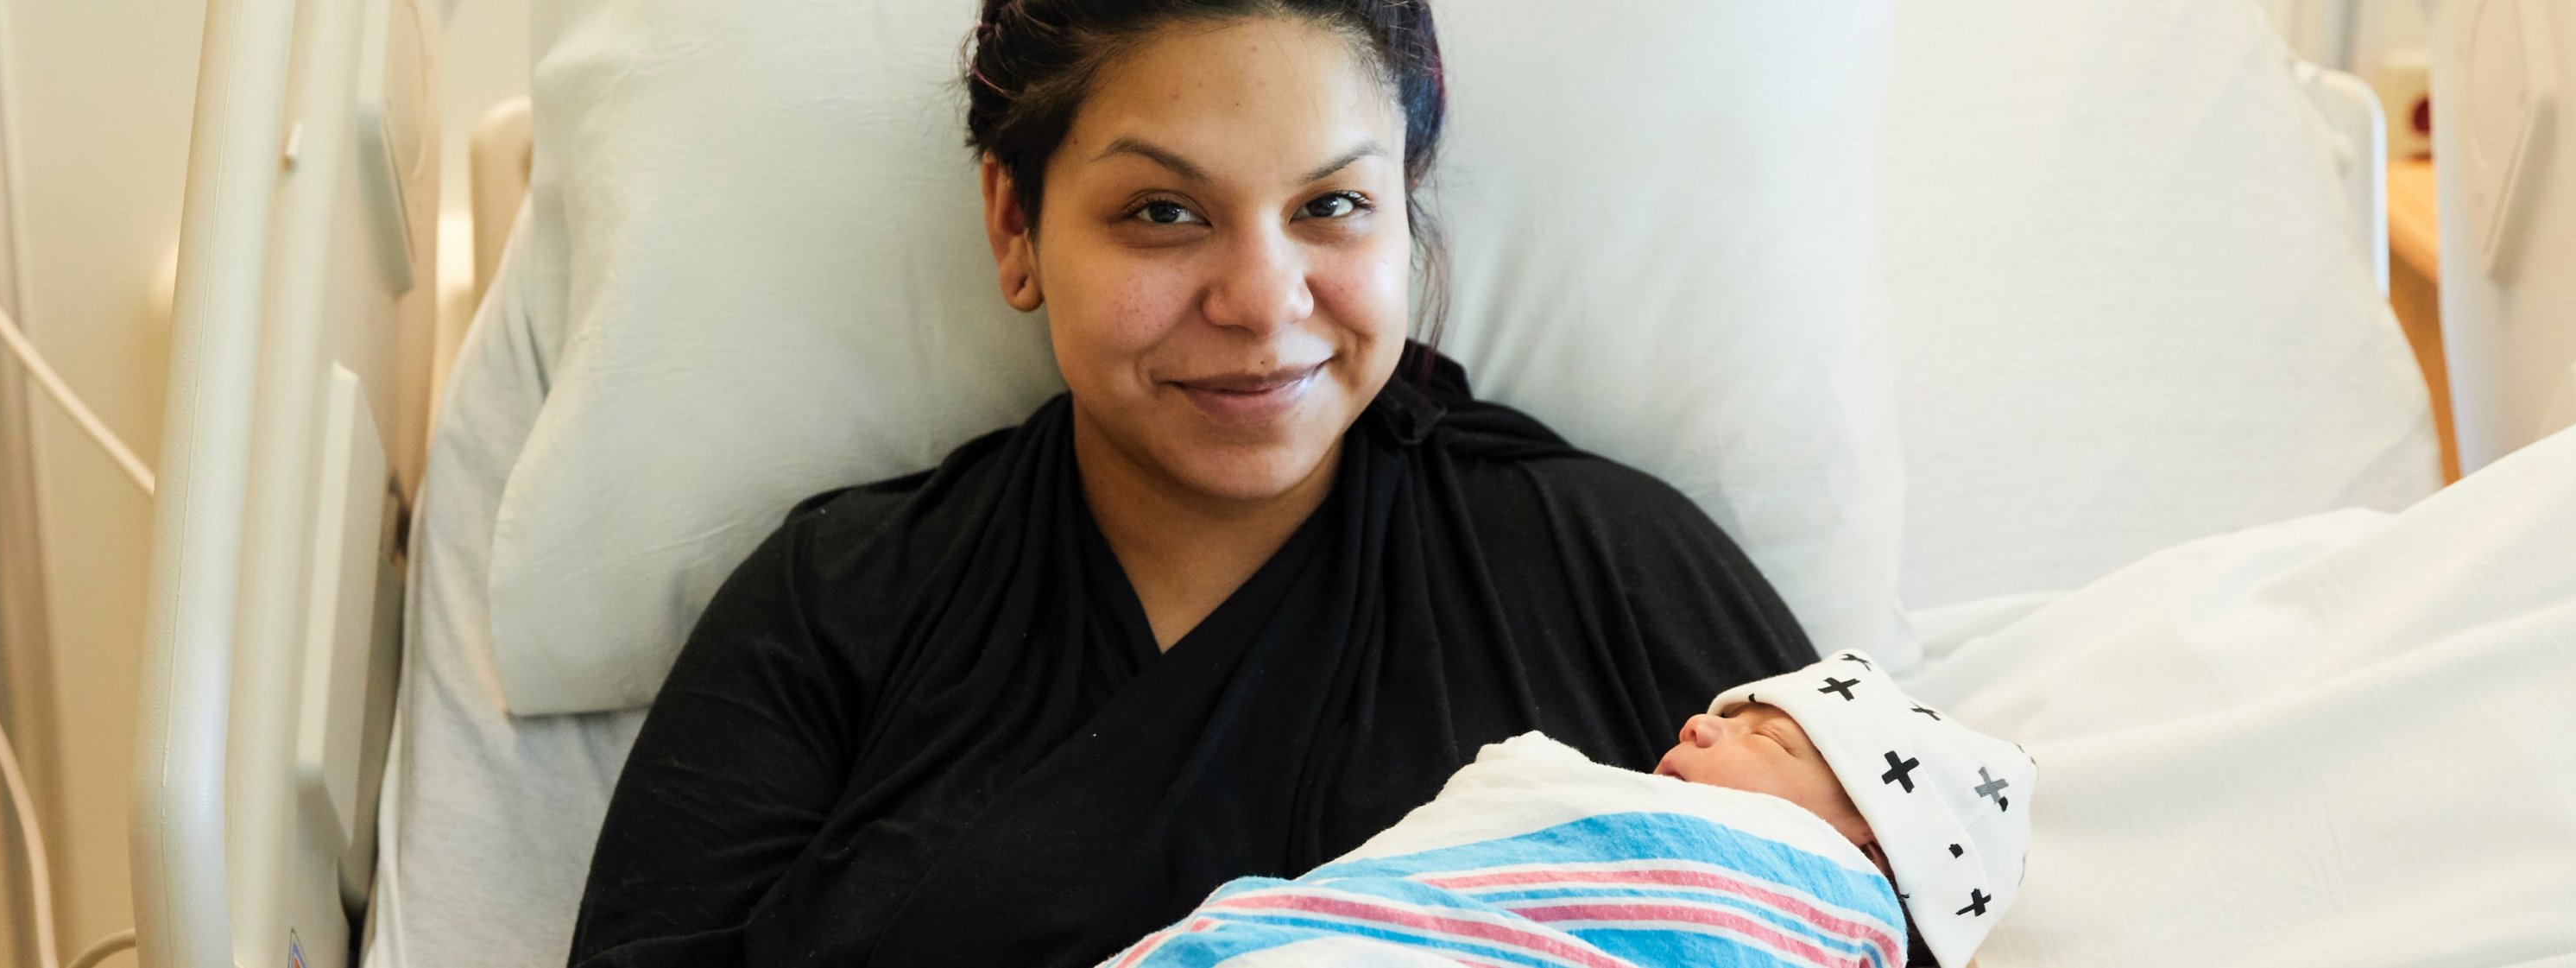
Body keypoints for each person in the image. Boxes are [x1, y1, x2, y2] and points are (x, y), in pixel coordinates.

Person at [567, 1, 1820, 964]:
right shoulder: (836, 609)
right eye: (1163, 213)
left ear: (1404, 212)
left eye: (1331, 204)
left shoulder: (1613, 569)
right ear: (1015, 225)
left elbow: (1862, 915)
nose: (1262, 305)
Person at [1099, 652, 2036, 967]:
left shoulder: (1819, 901)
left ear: (1870, 830)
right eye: (1716, 714)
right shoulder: (1588, 819)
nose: (1701, 726)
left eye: (1769, 737)